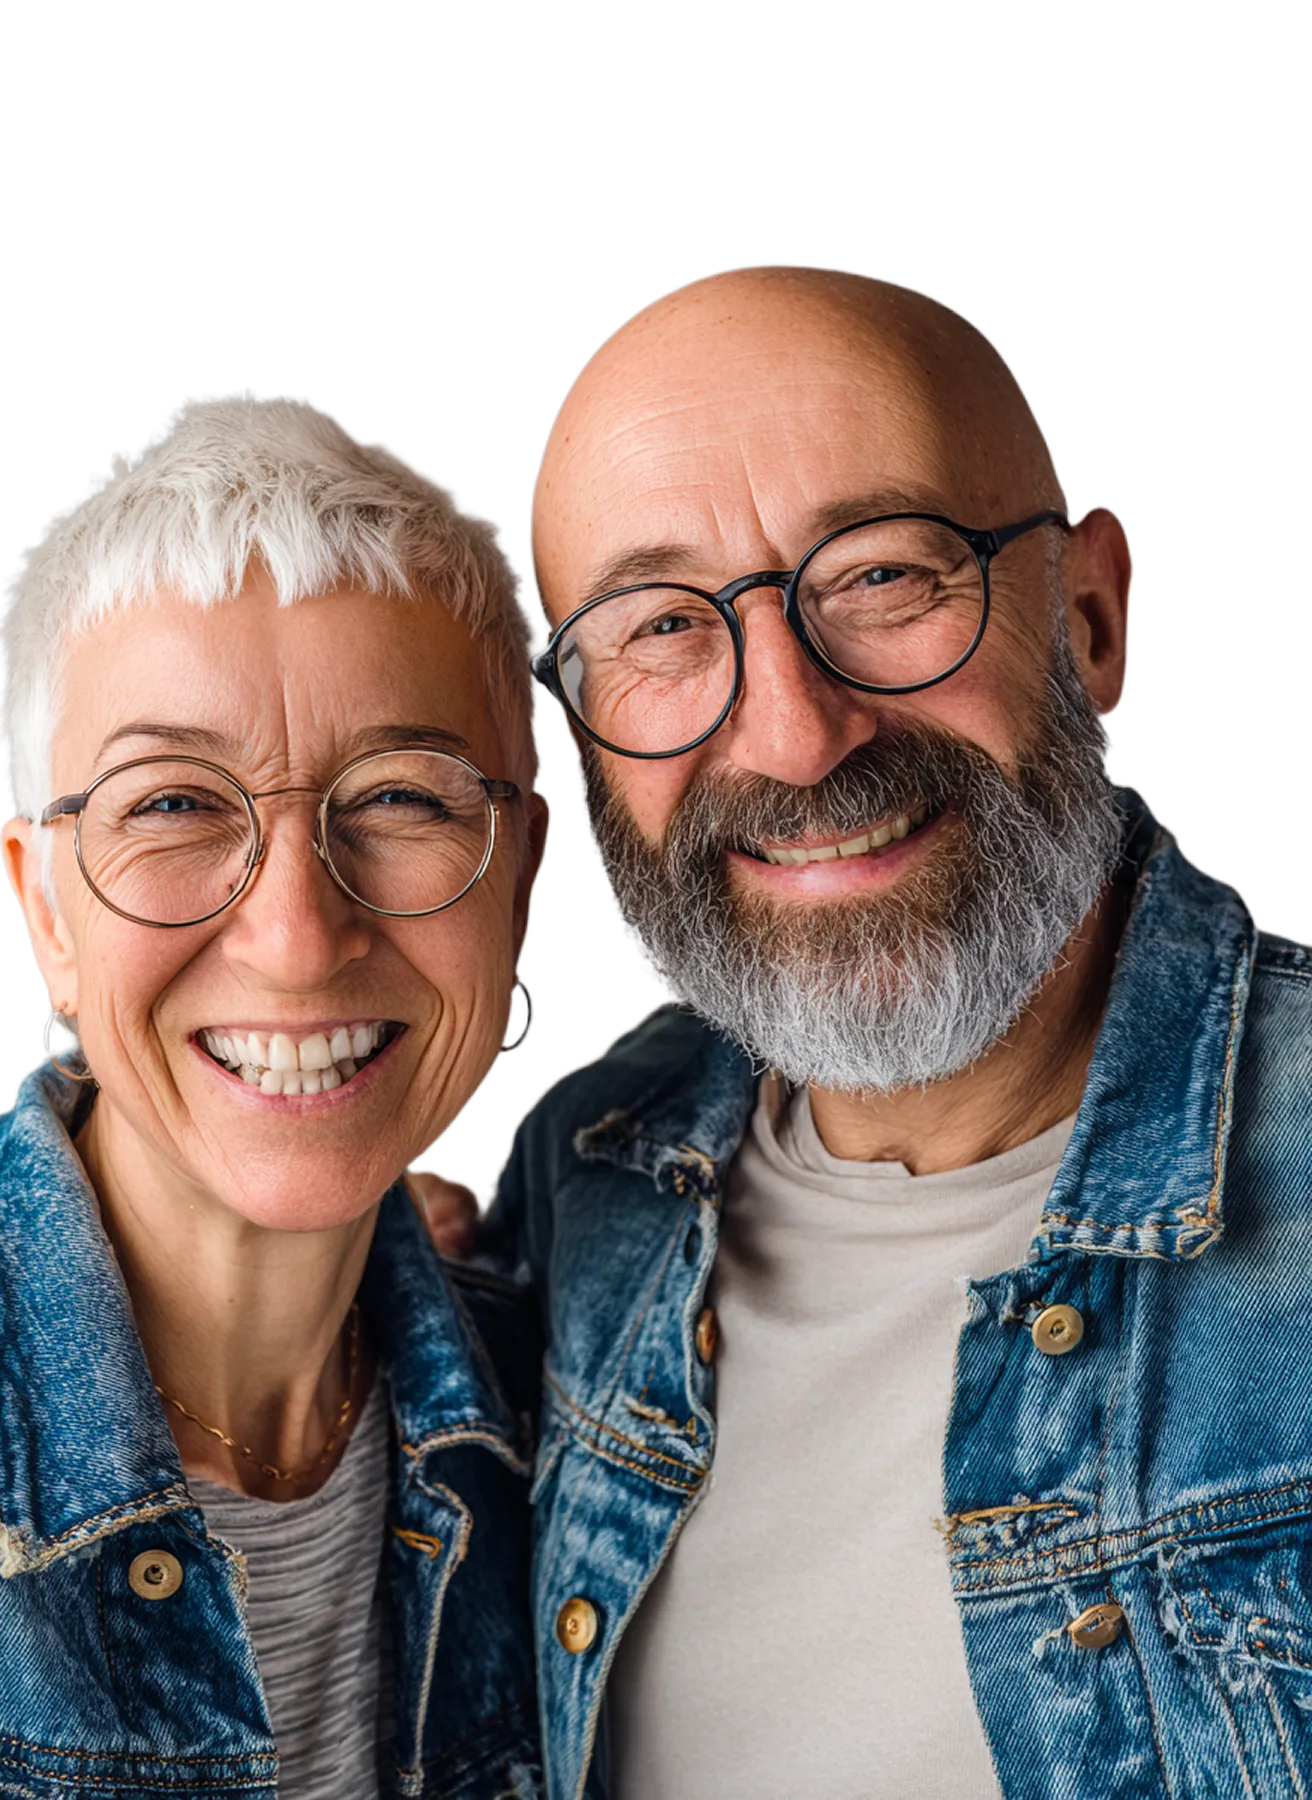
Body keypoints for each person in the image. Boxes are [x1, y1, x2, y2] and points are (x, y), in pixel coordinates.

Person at [426, 269, 1309, 1799]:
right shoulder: (584, 1178)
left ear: (1092, 621)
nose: (791, 730)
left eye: (886, 579)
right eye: (659, 629)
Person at [0, 389, 552, 1799]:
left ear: (521, 879)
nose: (295, 934)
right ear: (42, 908)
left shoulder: (556, 1411)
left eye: (403, 798)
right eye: (172, 804)